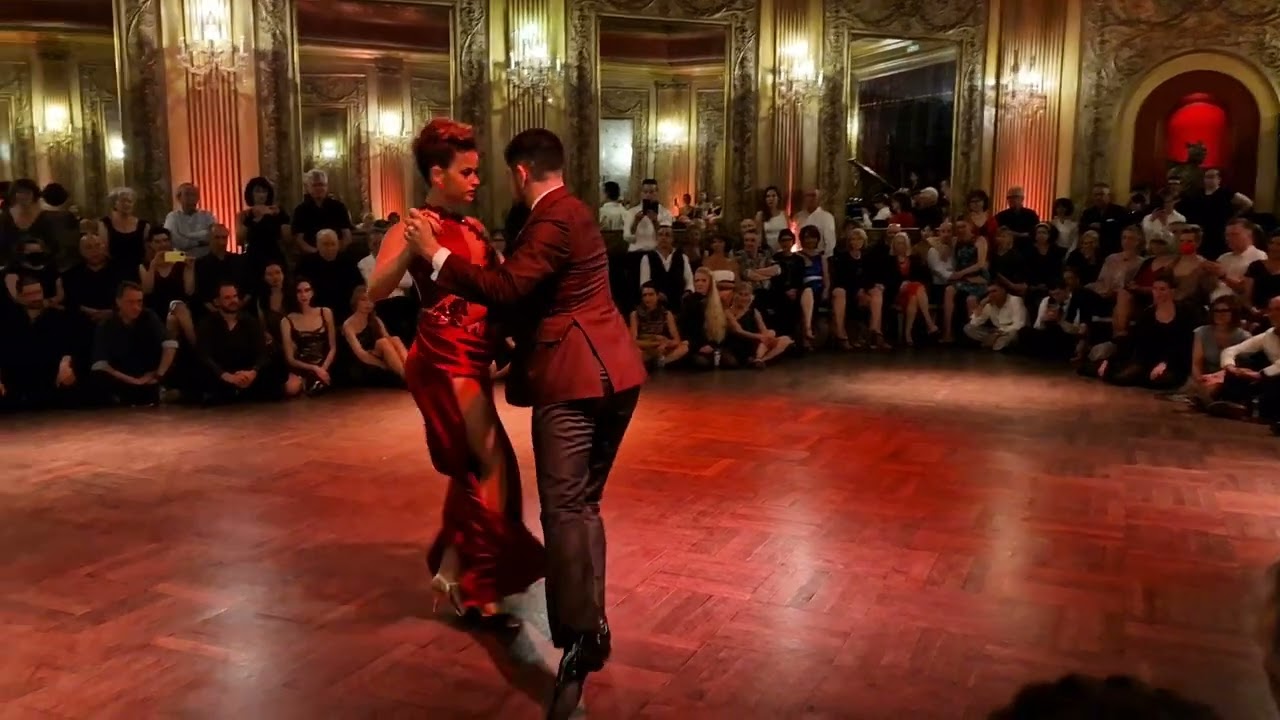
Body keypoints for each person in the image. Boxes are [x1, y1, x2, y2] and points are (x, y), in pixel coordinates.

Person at [406, 127, 647, 720]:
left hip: (575, 379)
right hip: (613, 373)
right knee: (583, 506)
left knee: (564, 509)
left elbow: (511, 288)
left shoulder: (552, 218)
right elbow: (534, 300)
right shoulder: (572, 212)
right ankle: (593, 622)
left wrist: (434, 256)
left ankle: (577, 643)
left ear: (520, 173)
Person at [367, 118, 544, 629]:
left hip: (474, 357)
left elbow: (492, 288)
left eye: (477, 171)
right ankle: (480, 591)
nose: (476, 181)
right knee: (491, 469)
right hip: (443, 361)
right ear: (436, 173)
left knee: (481, 470)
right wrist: (411, 246)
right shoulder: (412, 225)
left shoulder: (471, 227)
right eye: (466, 172)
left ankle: (450, 572)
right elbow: (377, 290)